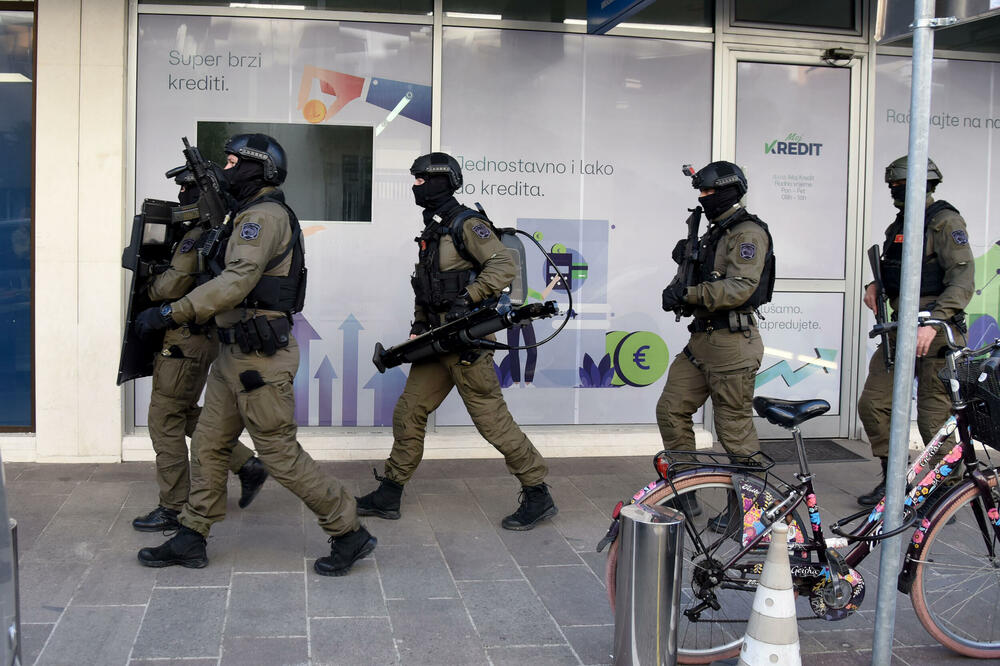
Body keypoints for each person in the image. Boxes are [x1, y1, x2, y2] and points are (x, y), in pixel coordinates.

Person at [135, 133, 375, 576]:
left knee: (279, 454)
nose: (226, 169)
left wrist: (173, 311)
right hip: (234, 355)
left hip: (259, 361)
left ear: (258, 168)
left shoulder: (262, 218)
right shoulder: (242, 215)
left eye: (232, 162)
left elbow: (236, 282)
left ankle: (348, 529)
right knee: (208, 444)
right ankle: (192, 534)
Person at [355, 152, 557, 531]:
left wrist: (471, 296)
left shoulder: (468, 224)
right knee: (408, 412)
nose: (415, 185)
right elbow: (424, 288)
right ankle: (391, 492)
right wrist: (418, 325)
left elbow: (503, 265)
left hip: (466, 342)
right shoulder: (434, 230)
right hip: (435, 340)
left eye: (420, 179)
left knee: (491, 420)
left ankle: (537, 491)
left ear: (440, 181)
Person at [132, 169, 269, 532]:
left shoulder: (198, 235)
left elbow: (174, 282)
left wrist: (148, 286)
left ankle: (174, 506)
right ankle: (247, 464)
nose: (180, 195)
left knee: (164, 420)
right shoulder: (217, 231)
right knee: (182, 411)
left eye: (186, 188)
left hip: (184, 338)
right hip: (199, 337)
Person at [657, 161, 774, 529]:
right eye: (701, 193)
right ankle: (687, 489)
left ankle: (749, 509)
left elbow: (742, 287)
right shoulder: (714, 232)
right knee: (671, 409)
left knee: (734, 430)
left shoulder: (747, 233)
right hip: (702, 341)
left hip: (732, 344)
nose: (703, 198)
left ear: (729, 190)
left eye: (709, 191)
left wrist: (690, 293)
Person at [856, 156, 974, 507]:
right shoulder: (901, 224)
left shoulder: (945, 221)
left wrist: (936, 320)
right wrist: (875, 285)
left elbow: (962, 280)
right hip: (899, 326)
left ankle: (946, 489)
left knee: (933, 417)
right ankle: (895, 480)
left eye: (900, 184)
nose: (895, 190)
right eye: (892, 184)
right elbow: (899, 269)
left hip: (935, 329)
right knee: (873, 405)